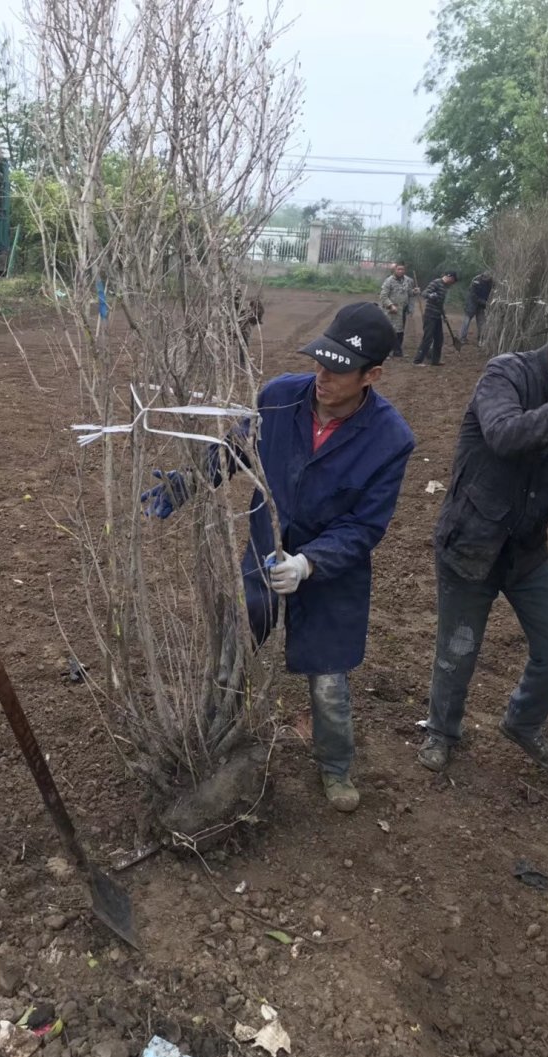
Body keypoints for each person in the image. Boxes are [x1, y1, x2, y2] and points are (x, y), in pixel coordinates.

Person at [143, 303, 415, 812]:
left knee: (329, 677)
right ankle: (214, 734)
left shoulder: (390, 439)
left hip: (332, 571)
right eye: (319, 362)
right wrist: (184, 487)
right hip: (266, 549)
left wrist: (310, 563)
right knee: (235, 646)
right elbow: (233, 451)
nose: (322, 377)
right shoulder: (280, 397)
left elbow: (365, 526)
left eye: (337, 370)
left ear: (372, 375)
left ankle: (334, 767)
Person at [418, 309, 548, 775]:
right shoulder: (505, 372)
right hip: (471, 542)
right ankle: (442, 732)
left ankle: (523, 723)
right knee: (458, 649)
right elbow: (505, 435)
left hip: (526, 550)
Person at [413, 270, 458, 367]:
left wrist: (444, 315)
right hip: (430, 315)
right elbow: (424, 293)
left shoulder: (445, 287)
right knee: (428, 338)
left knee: (439, 339)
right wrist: (431, 295)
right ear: (449, 277)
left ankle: (435, 360)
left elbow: (440, 304)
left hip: (437, 316)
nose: (452, 283)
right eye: (452, 280)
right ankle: (417, 360)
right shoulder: (436, 283)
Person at [379, 262, 418, 357]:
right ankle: (385, 352)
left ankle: (397, 351)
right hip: (391, 310)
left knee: (400, 330)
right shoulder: (389, 281)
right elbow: (383, 296)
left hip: (402, 310)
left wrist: (414, 292)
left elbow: (409, 293)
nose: (400, 271)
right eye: (398, 269)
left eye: (402, 269)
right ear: (395, 270)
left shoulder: (407, 281)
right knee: (389, 330)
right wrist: (391, 305)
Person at [459, 271, 493, 346]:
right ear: (482, 276)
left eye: (487, 279)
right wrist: (483, 302)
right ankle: (462, 338)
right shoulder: (476, 280)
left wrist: (486, 302)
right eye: (485, 279)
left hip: (481, 305)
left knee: (481, 322)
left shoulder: (490, 282)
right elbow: (473, 295)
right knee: (466, 321)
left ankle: (480, 339)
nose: (486, 280)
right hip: (472, 304)